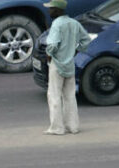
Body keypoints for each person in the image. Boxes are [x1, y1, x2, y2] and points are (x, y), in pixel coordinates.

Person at [43, 0, 91, 135]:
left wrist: (48, 54)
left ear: (58, 10)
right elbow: (86, 40)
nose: (49, 11)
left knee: (54, 96)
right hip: (70, 64)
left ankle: (57, 128)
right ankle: (73, 126)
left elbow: (52, 45)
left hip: (57, 65)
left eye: (51, 8)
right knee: (70, 96)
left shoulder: (56, 24)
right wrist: (76, 49)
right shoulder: (74, 23)